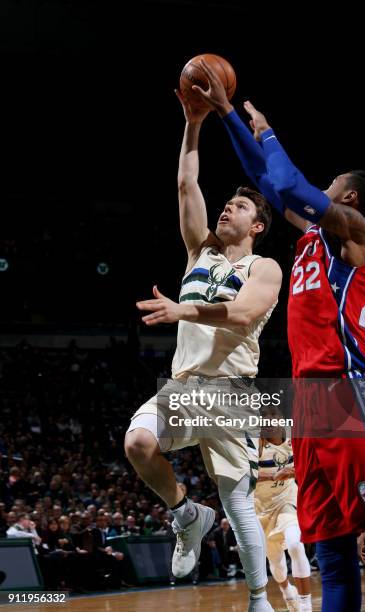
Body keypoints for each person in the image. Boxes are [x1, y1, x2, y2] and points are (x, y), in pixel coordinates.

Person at [192, 59, 365, 612]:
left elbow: (286, 180)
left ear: (350, 198)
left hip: (348, 389)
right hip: (310, 401)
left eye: (333, 184)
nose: (324, 185)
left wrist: (265, 127)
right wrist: (223, 113)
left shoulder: (359, 233)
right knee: (331, 547)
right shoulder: (312, 234)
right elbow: (270, 182)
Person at [124, 87, 282, 611]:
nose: (223, 210)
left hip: (233, 396)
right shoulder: (200, 253)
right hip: (186, 387)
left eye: (235, 207)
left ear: (255, 225)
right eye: (224, 204)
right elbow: (186, 181)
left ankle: (259, 599)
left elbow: (241, 314)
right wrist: (193, 122)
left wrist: (182, 310)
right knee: (138, 444)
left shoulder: (263, 269)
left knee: (239, 506)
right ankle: (187, 514)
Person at [256, 428, 312, 612]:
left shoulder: (294, 438)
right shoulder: (254, 443)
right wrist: (273, 475)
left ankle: (305, 604)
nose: (270, 419)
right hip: (261, 509)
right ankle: (287, 591)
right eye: (265, 416)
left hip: (287, 501)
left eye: (274, 414)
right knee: (276, 561)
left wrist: (294, 471)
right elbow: (243, 474)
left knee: (296, 544)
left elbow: (310, 463)